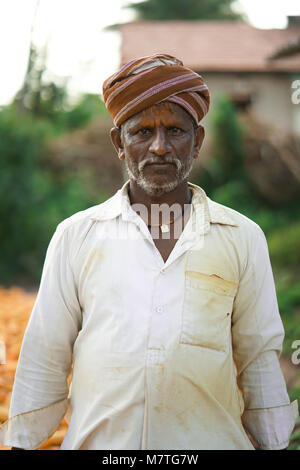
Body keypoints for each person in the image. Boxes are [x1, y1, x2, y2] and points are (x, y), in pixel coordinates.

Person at [1, 53, 298, 450]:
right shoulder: (76, 236)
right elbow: (45, 354)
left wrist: (275, 442)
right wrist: (23, 441)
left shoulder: (241, 237)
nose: (159, 147)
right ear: (118, 144)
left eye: (176, 131)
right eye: (142, 132)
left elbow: (258, 356)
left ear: (198, 143)